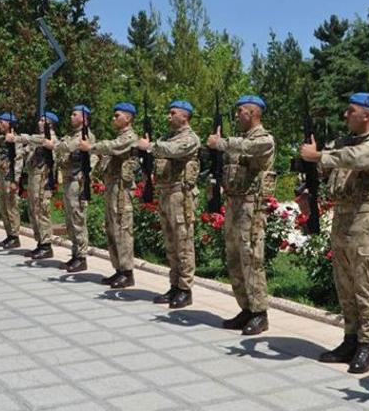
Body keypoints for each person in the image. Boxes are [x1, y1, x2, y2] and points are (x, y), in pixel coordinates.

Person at [299, 92, 369, 374]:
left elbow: (355, 158)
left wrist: (320, 156)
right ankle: (350, 338)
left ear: (367, 114)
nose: (345, 115)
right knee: (345, 284)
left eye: (350, 111)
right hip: (341, 219)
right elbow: (326, 167)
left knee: (365, 284)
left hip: (364, 221)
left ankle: (367, 345)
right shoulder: (343, 143)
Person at [207, 95, 275, 335]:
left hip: (252, 206)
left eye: (240, 111)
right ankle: (245, 307)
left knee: (251, 257)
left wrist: (221, 142)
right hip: (234, 204)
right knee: (234, 257)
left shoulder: (264, 139)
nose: (237, 115)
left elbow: (250, 148)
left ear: (253, 114)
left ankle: (259, 312)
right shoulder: (238, 140)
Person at [137, 100, 201, 309]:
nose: (168, 116)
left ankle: (185, 289)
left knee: (183, 242)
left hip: (181, 196)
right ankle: (174, 285)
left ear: (185, 116)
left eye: (172, 112)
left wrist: (150, 146)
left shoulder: (190, 138)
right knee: (170, 243)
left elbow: (173, 151)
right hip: (165, 193)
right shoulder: (166, 138)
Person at [79, 102, 138, 287]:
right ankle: (118, 269)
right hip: (112, 188)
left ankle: (127, 272)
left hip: (122, 191)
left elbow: (113, 147)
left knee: (122, 228)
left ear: (128, 118)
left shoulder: (129, 137)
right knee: (112, 228)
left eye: (117, 115)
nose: (113, 118)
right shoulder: (119, 136)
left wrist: (91, 147)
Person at [11, 112, 59, 259]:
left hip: (42, 180)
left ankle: (46, 245)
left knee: (42, 212)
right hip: (34, 179)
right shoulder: (38, 139)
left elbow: (31, 139)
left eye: (43, 120)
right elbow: (25, 151)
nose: (39, 122)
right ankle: (40, 243)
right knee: (33, 211)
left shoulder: (49, 138)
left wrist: (17, 137)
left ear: (49, 124)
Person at [54, 105, 95, 272]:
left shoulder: (86, 136)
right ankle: (75, 254)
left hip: (78, 182)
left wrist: (54, 144)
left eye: (74, 114)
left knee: (78, 219)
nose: (71, 117)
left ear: (83, 118)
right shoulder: (72, 135)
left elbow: (69, 147)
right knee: (70, 220)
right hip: (69, 180)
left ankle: (81, 257)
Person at [0, 112, 24, 249]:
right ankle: (9, 234)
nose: (0, 124)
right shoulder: (0, 138)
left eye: (2, 122)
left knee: (11, 206)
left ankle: (15, 236)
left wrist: (15, 181)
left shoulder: (16, 139)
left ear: (10, 124)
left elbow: (19, 161)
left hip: (10, 176)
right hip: (1, 175)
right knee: (3, 206)